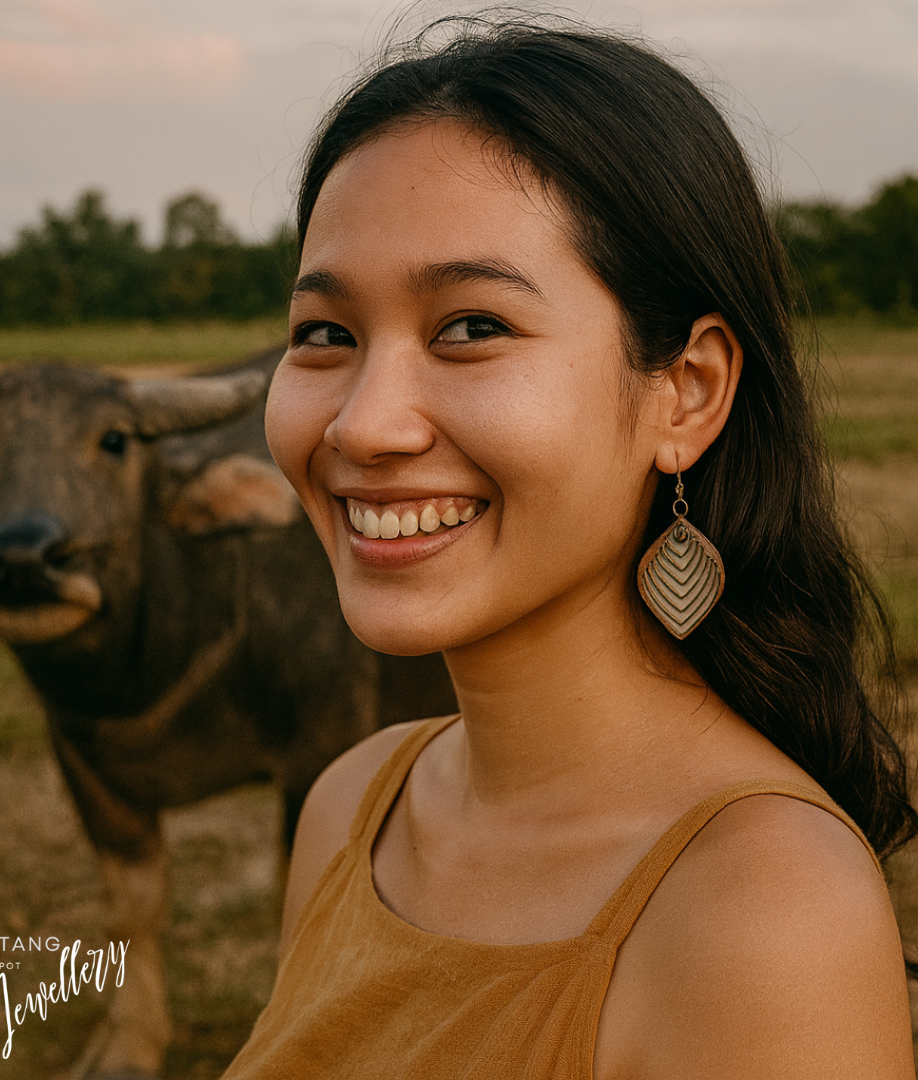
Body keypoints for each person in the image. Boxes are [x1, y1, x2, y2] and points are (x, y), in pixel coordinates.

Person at [222, 15, 917, 1079]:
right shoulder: (353, 808)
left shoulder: (763, 915)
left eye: (471, 327)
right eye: (326, 335)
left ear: (686, 394)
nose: (362, 425)